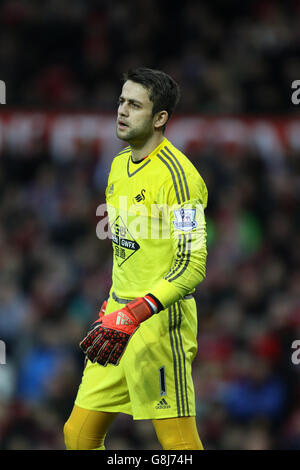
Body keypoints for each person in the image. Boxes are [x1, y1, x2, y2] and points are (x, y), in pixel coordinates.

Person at [63, 67, 208, 450]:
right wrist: (116, 305)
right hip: (116, 319)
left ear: (160, 118)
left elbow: (192, 266)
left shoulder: (180, 178)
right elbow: (129, 250)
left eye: (135, 105)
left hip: (158, 323)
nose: (122, 111)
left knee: (179, 446)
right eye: (121, 102)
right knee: (77, 436)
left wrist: (135, 312)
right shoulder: (117, 166)